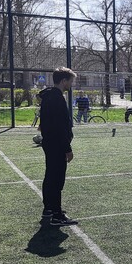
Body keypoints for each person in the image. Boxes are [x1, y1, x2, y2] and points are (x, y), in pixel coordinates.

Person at [37, 67, 79, 227]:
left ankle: (49, 208)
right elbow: (60, 127)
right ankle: (57, 215)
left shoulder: (49, 96)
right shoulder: (57, 98)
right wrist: (67, 149)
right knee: (56, 179)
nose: (71, 84)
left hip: (49, 142)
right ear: (63, 81)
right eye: (70, 81)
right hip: (56, 144)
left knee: (50, 176)